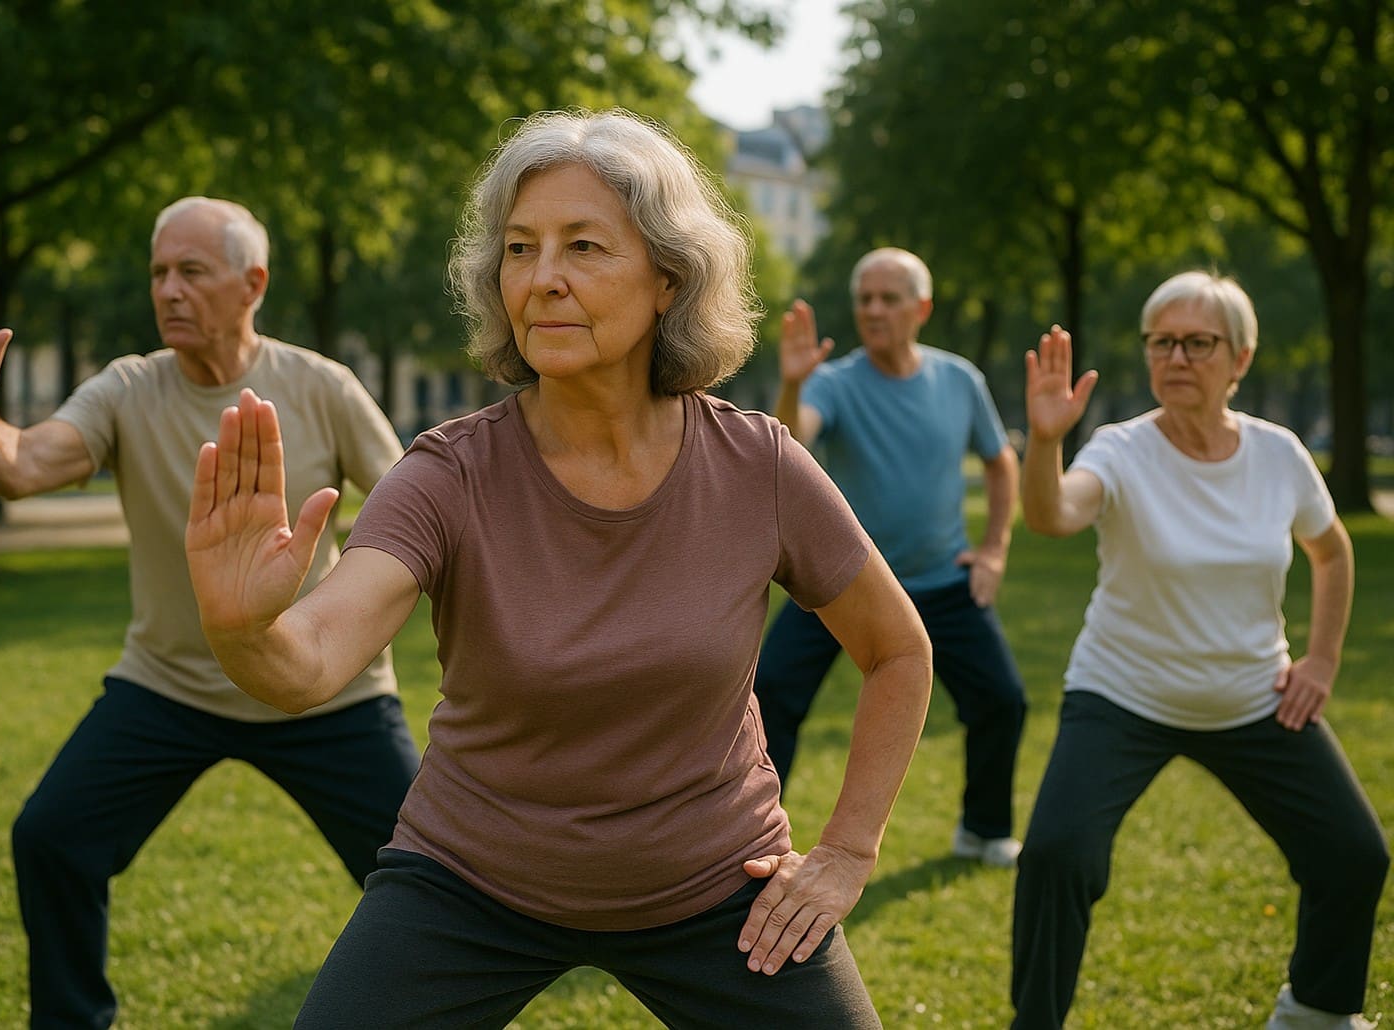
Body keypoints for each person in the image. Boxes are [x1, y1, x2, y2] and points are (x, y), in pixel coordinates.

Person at [185, 109, 934, 1027]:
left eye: (584, 247)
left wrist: (848, 852)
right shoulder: (447, 473)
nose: (543, 280)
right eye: (519, 249)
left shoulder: (758, 465)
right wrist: (240, 627)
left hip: (717, 884)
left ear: (668, 279)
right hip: (470, 881)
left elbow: (898, 651)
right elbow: (309, 663)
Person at [0, 197, 421, 1029]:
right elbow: (20, 466)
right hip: (169, 688)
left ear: (253, 283)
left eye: (192, 270)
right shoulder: (127, 388)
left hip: (323, 692)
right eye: (158, 272)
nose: (169, 290)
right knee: (52, 837)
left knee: (425, 872)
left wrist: (337, 611)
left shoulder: (322, 387)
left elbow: (411, 507)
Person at [1011, 271, 1389, 1029]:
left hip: (1253, 696)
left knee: (1354, 854)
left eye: (1197, 342)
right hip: (1122, 694)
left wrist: (1319, 662)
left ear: (1240, 357)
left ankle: (1316, 1012)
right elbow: (1054, 516)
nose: (1176, 356)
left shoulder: (1280, 457)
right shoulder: (1118, 449)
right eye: (1161, 342)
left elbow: (1334, 553)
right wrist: (1047, 441)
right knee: (1057, 855)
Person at [754, 247, 1028, 867]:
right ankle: (751, 834)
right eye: (864, 299)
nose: (873, 310)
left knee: (1002, 701)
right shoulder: (833, 381)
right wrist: (793, 383)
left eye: (889, 298)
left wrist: (994, 550)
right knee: (770, 695)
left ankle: (983, 829)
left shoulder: (960, 380)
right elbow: (791, 444)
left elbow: (999, 459)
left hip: (941, 580)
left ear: (921, 308)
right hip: (842, 586)